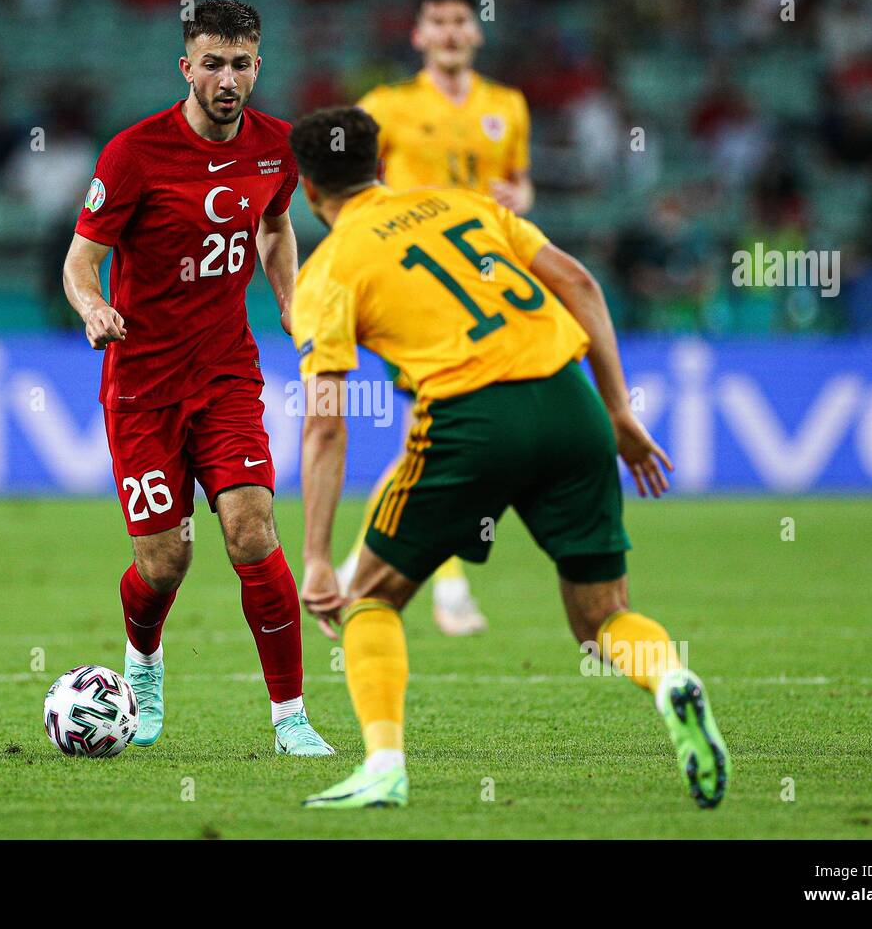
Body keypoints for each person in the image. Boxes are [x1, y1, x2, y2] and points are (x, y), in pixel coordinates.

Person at [287, 107, 728, 808]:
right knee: (603, 618)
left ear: (306, 190)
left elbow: (324, 423)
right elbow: (580, 283)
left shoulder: (328, 269)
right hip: (570, 403)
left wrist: (315, 552)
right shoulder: (462, 203)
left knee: (369, 596)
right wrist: (618, 411)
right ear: (379, 164)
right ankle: (671, 674)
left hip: (472, 421)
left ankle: (383, 767)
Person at [61, 0, 331, 756]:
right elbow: (80, 261)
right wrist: (93, 309)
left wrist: (288, 298)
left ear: (257, 68)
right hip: (142, 385)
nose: (227, 77)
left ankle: (291, 719)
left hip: (226, 375)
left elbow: (276, 225)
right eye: (212, 62)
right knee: (166, 558)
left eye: (241, 63)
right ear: (187, 67)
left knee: (251, 529)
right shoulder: (133, 154)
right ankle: (142, 663)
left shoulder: (279, 147)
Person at [337, 0, 536, 635]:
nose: (451, 33)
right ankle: (447, 587)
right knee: (444, 430)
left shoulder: (507, 106)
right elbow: (350, 182)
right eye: (438, 23)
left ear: (476, 32)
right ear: (419, 35)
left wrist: (519, 195)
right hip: (418, 287)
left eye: (460, 22)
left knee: (436, 439)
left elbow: (519, 184)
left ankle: (354, 566)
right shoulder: (387, 105)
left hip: (485, 287)